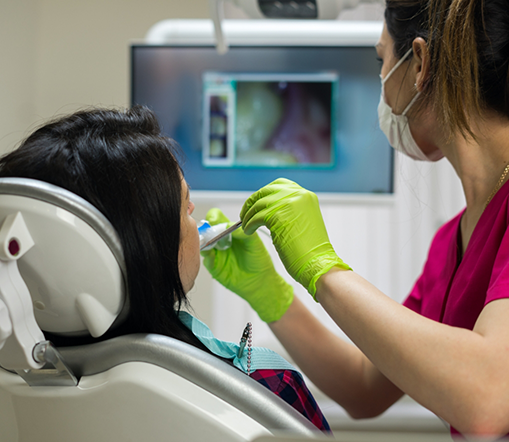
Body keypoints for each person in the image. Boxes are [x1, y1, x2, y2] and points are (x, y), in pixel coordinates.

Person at [203, 0, 509, 438]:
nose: (381, 84)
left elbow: (490, 396)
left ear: (419, 62)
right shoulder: (451, 241)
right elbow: (365, 386)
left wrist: (322, 266)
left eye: (381, 60)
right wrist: (269, 292)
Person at [0, 106, 330, 432]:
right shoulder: (269, 385)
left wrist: (269, 295)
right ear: (146, 245)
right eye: (183, 204)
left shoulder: (16, 376)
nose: (193, 208)